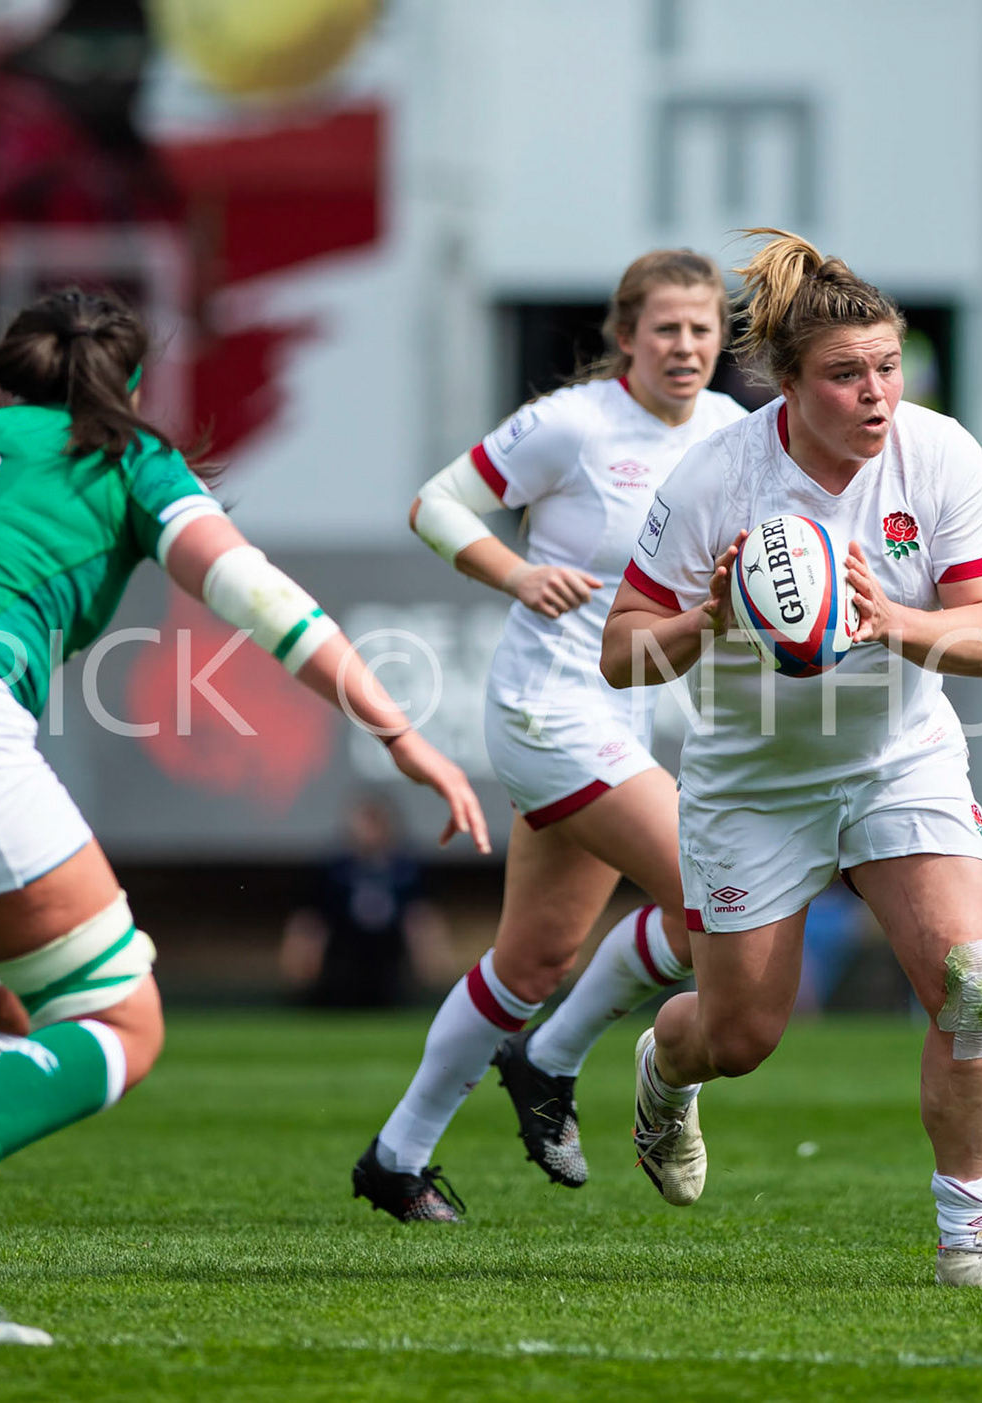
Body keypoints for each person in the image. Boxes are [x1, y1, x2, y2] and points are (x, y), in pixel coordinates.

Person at [0, 288, 489, 1344]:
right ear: (131, 385)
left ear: (16, 373)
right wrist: (395, 728)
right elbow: (259, 598)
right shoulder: (129, 454)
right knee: (118, 1021)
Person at [599, 230, 982, 1290]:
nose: (876, 394)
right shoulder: (718, 474)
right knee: (741, 1034)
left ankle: (969, 1240)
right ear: (787, 386)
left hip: (900, 756)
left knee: (973, 981)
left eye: (887, 366)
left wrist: (889, 618)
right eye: (846, 374)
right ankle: (666, 1068)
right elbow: (621, 651)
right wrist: (703, 619)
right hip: (753, 780)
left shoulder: (941, 455)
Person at [351, 250, 748, 1221]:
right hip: (545, 707)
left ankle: (396, 1157)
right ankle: (554, 1057)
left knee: (528, 963)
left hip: (621, 712)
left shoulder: (735, 432)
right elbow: (435, 503)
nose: (686, 346)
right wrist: (516, 573)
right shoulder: (573, 423)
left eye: (702, 329)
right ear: (626, 338)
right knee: (717, 900)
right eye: (666, 328)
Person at [279, 796, 455, 1008]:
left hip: (390, 961)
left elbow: (422, 919)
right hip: (343, 959)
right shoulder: (333, 869)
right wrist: (302, 959)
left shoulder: (407, 870)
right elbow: (310, 920)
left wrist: (433, 961)